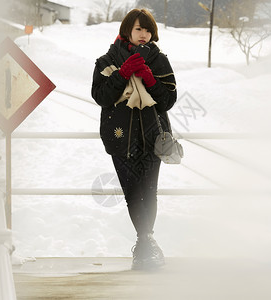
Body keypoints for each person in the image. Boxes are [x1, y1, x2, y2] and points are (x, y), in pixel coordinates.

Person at [91, 8, 177, 270]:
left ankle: (145, 243)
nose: (144, 34)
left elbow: (168, 100)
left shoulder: (159, 61)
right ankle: (145, 244)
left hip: (154, 136)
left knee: (149, 192)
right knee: (133, 192)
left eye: (148, 29)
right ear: (127, 30)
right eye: (139, 29)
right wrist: (123, 72)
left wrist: (150, 78)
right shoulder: (106, 61)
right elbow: (101, 96)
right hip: (121, 138)